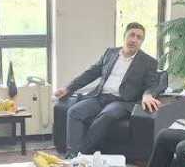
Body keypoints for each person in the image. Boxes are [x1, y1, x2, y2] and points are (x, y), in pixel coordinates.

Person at [55, 22, 162, 156]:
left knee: (106, 116)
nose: (134, 40)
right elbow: (91, 73)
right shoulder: (110, 53)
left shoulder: (148, 62)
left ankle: (79, 155)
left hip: (122, 102)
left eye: (139, 37)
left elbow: (152, 84)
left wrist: (147, 95)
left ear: (142, 42)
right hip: (99, 97)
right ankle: (72, 154)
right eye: (132, 35)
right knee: (74, 111)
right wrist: (68, 88)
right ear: (125, 36)